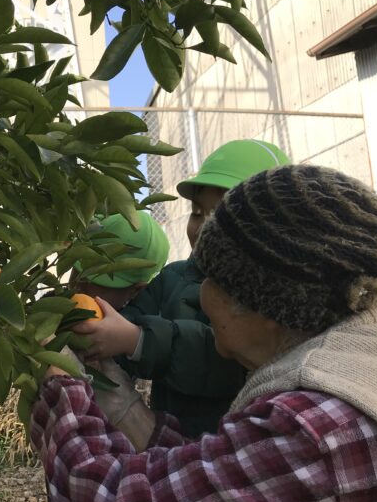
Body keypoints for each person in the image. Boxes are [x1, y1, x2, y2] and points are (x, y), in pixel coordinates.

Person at [31, 164, 377, 502]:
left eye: (210, 279)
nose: (198, 295)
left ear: (255, 303)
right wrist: (126, 410)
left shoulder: (307, 430)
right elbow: (223, 473)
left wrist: (59, 382)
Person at [72, 139, 291, 437]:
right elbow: (126, 323)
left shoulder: (272, 299)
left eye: (221, 216)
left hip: (236, 443)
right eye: (197, 213)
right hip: (169, 440)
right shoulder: (174, 278)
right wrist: (94, 332)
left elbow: (222, 360)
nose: (203, 227)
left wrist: (138, 341)